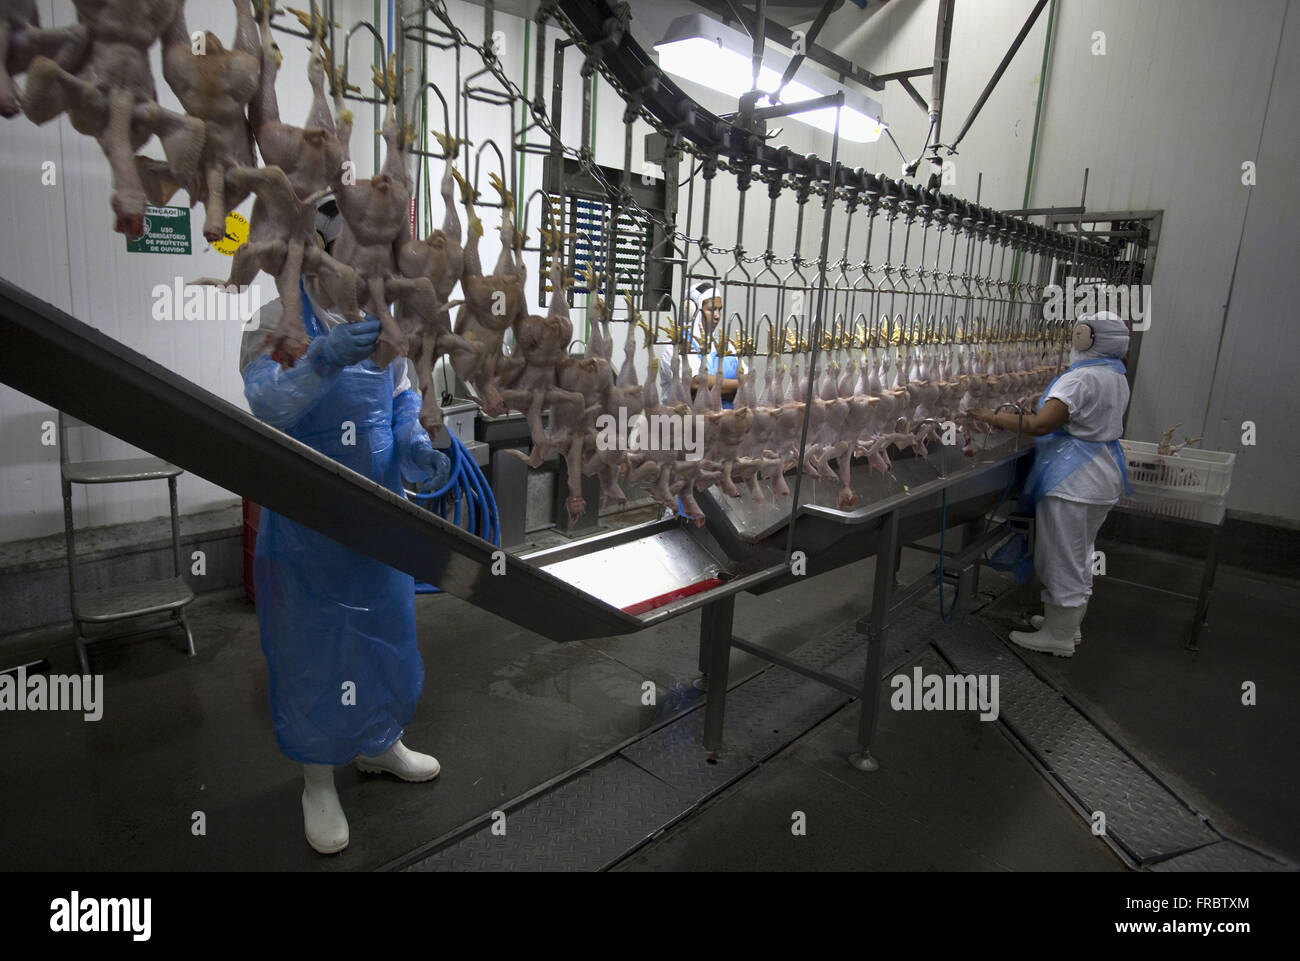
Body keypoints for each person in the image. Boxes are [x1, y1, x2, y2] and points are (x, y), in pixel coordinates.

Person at [238, 200, 452, 854]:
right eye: (356, 261)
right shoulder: (273, 319)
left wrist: (415, 446)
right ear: (319, 251)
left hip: (379, 520)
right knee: (314, 649)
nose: (368, 278)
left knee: (385, 632)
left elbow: (400, 402)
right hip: (307, 528)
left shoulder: (381, 323)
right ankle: (318, 777)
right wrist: (321, 359)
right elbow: (266, 406)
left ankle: (379, 741)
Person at [971, 310, 1133, 657]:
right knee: (1079, 554)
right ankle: (1065, 626)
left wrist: (991, 416)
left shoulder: (1080, 379)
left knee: (1061, 558)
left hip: (1075, 481)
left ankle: (1058, 637)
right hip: (1100, 475)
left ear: (1085, 338)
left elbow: (1042, 425)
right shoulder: (1115, 374)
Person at [657, 282, 740, 409]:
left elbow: (747, 377)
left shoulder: (727, 345)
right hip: (686, 425)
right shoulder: (678, 345)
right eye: (712, 309)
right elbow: (695, 382)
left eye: (719, 309)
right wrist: (738, 386)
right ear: (692, 310)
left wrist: (720, 387)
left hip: (726, 425)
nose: (717, 316)